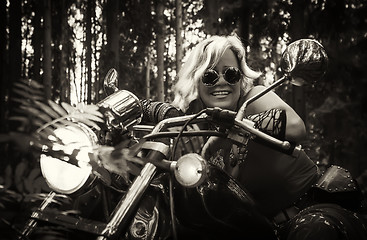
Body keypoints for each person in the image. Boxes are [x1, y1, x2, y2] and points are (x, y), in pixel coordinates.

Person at [170, 35, 367, 239]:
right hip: (270, 231)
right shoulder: (211, 148)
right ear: (197, 83)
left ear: (241, 78)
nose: (221, 81)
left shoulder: (254, 99)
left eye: (230, 74)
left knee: (312, 230)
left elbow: (296, 127)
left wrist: (244, 124)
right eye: (209, 76)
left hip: (314, 211)